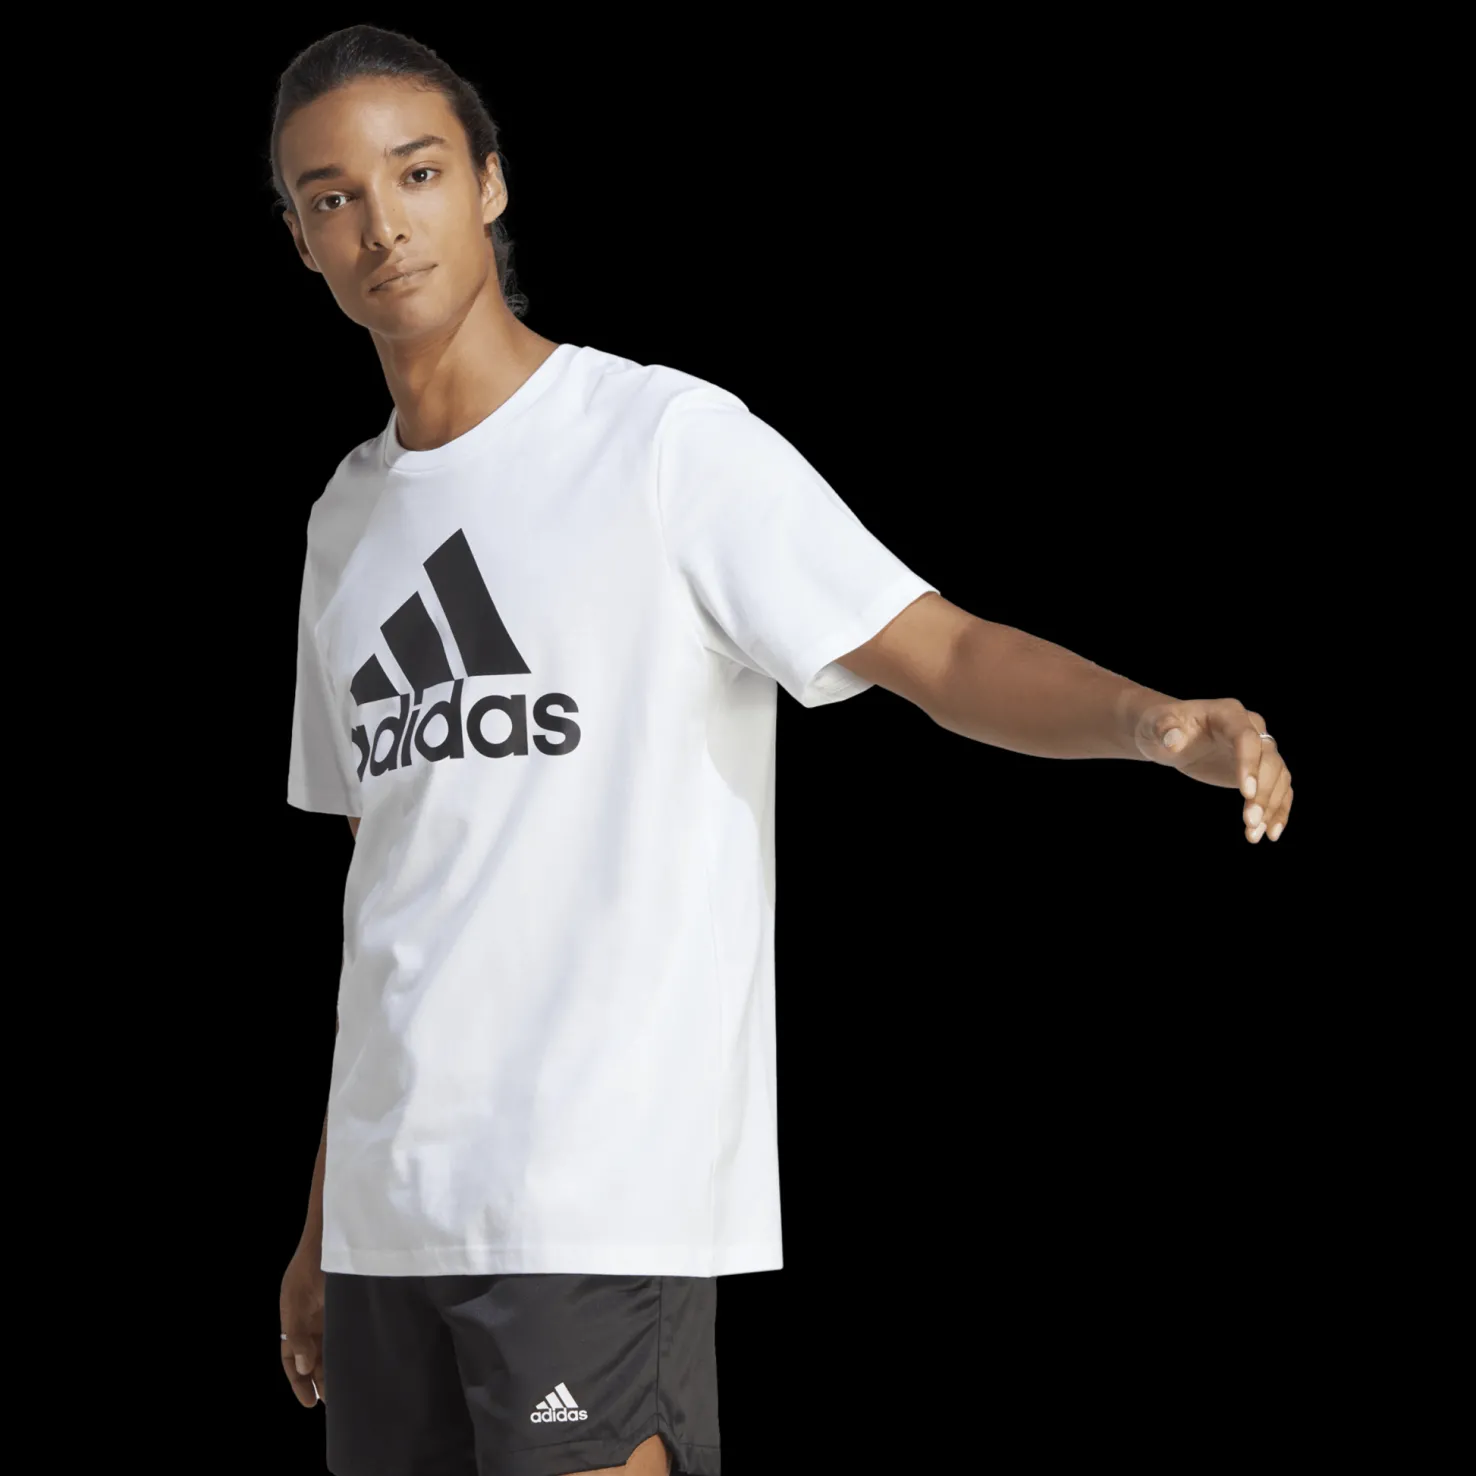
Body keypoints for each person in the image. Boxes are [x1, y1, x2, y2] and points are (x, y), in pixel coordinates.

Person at [271, 23, 1295, 1476]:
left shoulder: (657, 444)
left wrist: (1151, 722)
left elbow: (937, 649)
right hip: (387, 1231)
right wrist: (326, 1222)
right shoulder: (346, 522)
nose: (380, 224)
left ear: (491, 184)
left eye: (417, 172)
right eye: (331, 197)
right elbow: (384, 902)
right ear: (302, 238)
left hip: (588, 1205)